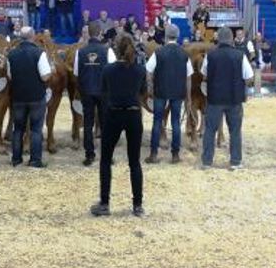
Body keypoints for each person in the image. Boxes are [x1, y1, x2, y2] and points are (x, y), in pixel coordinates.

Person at [90, 34, 148, 218]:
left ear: (116, 49)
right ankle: (137, 205)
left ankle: (104, 203)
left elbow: (103, 93)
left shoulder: (108, 70)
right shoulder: (140, 70)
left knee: (106, 160)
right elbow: (144, 92)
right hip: (133, 114)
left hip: (113, 114)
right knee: (134, 162)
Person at [200, 27, 254, 170]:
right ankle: (235, 161)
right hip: (234, 99)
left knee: (210, 130)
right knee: (235, 131)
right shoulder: (240, 55)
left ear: (218, 39)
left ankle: (207, 162)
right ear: (231, 39)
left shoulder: (210, 55)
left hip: (214, 99)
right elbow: (249, 77)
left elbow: (204, 75)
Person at [145, 24, 194, 164]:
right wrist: (188, 97)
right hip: (178, 92)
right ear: (177, 36)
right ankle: (175, 155)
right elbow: (188, 77)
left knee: (157, 122)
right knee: (176, 123)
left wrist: (150, 87)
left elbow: (148, 71)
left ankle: (153, 154)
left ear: (166, 36)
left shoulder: (158, 52)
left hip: (160, 92)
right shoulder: (184, 54)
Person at [7, 26, 53, 168]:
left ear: (20, 37)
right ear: (33, 37)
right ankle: (35, 160)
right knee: (36, 129)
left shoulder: (11, 54)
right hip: (36, 97)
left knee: (18, 129)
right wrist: (51, 70)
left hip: (18, 97)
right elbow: (45, 77)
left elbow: (10, 76)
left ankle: (16, 159)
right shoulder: (39, 53)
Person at [75, 21, 117, 166]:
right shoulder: (108, 51)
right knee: (106, 124)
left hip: (87, 91)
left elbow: (77, 73)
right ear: (100, 33)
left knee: (88, 123)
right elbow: (114, 72)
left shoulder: (80, 52)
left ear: (88, 34)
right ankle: (107, 156)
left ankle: (89, 155)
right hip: (104, 91)